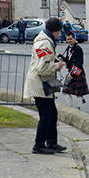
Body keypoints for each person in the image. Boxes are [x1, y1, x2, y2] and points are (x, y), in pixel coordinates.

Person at [24, 18, 66, 155]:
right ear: (55, 31)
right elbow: (41, 68)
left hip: (44, 84)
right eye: (59, 32)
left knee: (52, 114)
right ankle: (38, 145)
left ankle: (52, 142)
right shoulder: (44, 44)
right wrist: (57, 66)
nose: (59, 34)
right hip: (39, 85)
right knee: (46, 115)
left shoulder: (46, 41)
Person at [59, 31, 89, 108]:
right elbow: (69, 60)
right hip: (71, 71)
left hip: (77, 73)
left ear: (74, 38)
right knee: (65, 91)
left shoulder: (78, 49)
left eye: (71, 39)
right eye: (68, 39)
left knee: (78, 93)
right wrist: (61, 58)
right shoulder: (69, 48)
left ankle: (80, 109)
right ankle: (71, 107)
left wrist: (72, 74)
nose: (69, 41)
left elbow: (79, 64)